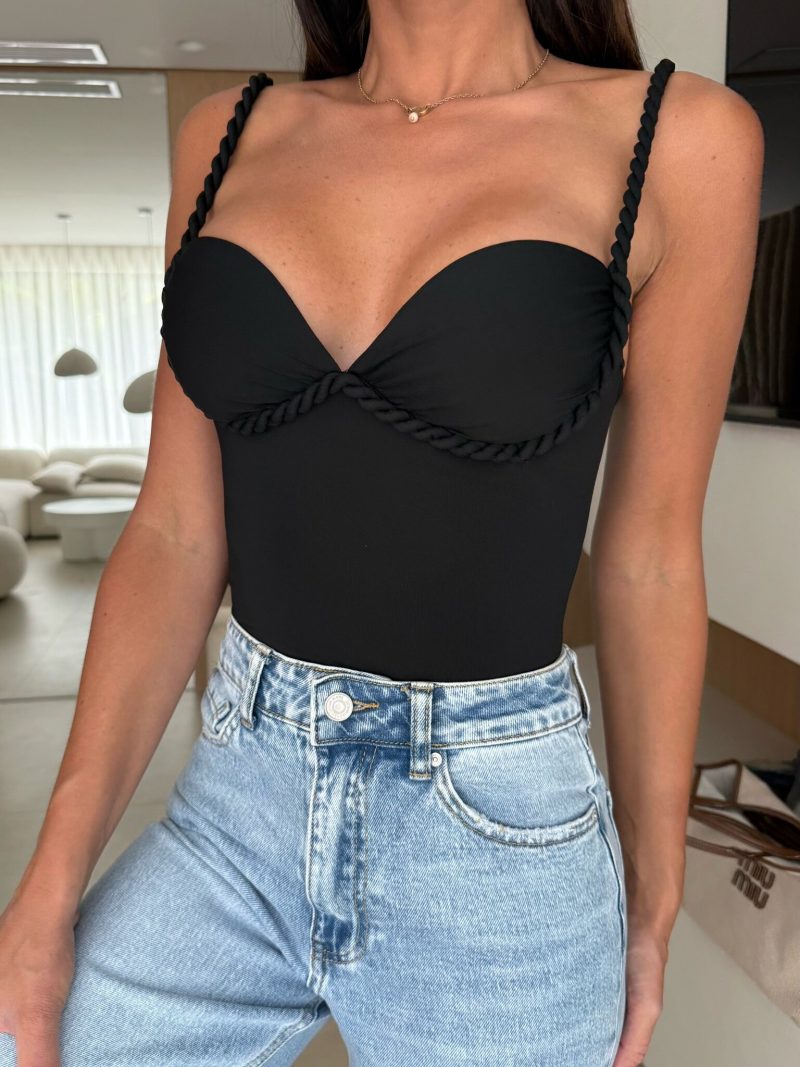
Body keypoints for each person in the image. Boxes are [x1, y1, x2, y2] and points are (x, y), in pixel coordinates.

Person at [0, 2, 764, 1065]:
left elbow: (650, 557)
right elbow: (173, 531)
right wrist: (47, 885)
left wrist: (654, 887)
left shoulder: (678, 137)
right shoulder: (226, 131)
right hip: (238, 795)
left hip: (494, 826)